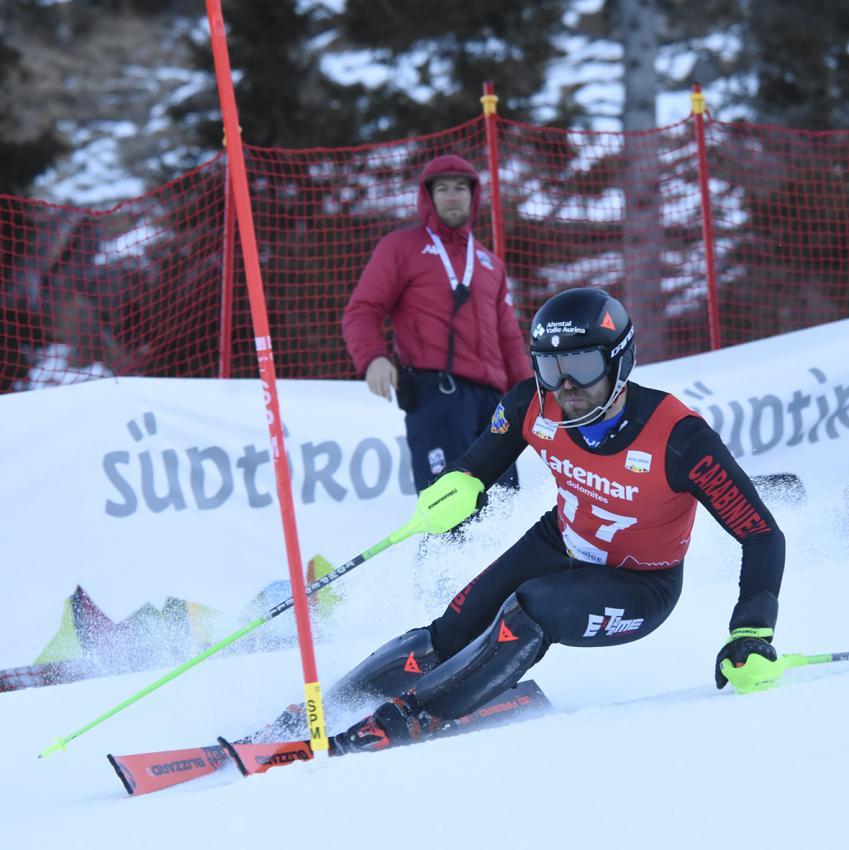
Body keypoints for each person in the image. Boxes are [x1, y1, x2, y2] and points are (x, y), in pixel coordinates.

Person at [266, 288, 785, 752]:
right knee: (449, 631)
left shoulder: (680, 438)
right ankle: (320, 710)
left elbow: (761, 534)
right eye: (549, 366)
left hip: (640, 584)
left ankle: (416, 715)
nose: (564, 385)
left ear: (620, 362)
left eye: (580, 366)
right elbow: (475, 468)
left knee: (530, 607)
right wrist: (455, 488)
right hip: (561, 542)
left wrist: (752, 631)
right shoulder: (530, 405)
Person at [342, 154, 532, 493]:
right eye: (442, 188)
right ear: (427, 197)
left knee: (505, 511)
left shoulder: (490, 263)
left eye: (460, 188)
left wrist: (532, 397)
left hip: (493, 404)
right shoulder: (402, 247)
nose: (452, 195)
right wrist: (373, 358)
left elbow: (509, 340)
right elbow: (363, 310)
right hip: (436, 395)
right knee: (448, 510)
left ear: (473, 197)